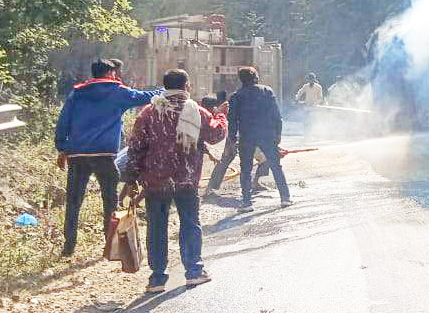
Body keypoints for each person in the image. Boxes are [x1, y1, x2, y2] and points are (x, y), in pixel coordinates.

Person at [121, 69, 226, 293]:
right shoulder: (195, 110)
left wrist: (130, 179)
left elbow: (136, 148)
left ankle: (157, 278)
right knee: (189, 223)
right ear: (187, 86)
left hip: (155, 180)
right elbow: (215, 135)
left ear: (165, 86)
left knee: (157, 227)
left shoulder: (149, 112)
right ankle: (194, 272)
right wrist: (220, 116)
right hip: (186, 179)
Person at [54, 59, 160, 259]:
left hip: (77, 154)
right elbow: (147, 96)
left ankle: (69, 247)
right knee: (110, 202)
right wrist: (168, 89)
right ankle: (109, 245)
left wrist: (62, 148)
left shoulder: (77, 93)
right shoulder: (118, 92)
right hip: (104, 155)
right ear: (110, 73)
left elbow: (63, 121)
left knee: (73, 202)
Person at [229, 66, 291, 213]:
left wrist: (232, 137)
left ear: (241, 79)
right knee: (276, 166)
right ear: (256, 77)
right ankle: (285, 198)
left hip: (246, 136)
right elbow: (276, 115)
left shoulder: (236, 96)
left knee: (245, 169)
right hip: (267, 135)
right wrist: (278, 134)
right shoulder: (267, 91)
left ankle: (246, 202)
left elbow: (232, 120)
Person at [202, 92, 270, 197]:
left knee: (265, 157)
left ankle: (255, 183)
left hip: (247, 137)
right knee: (226, 159)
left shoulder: (253, 107)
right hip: (236, 136)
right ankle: (210, 188)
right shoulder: (228, 106)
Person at [294, 72, 323, 138]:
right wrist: (297, 99)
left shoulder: (318, 87)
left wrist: (315, 103)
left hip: (314, 108)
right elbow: (300, 92)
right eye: (309, 79)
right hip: (307, 107)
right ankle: (306, 135)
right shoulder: (306, 86)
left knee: (311, 122)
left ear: (314, 80)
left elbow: (320, 98)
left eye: (311, 79)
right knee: (305, 121)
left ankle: (309, 135)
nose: (310, 81)